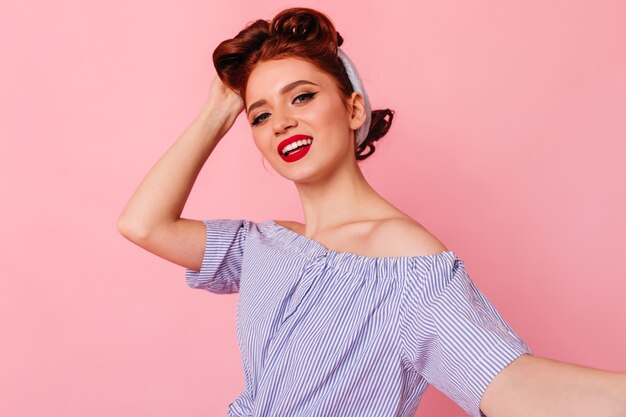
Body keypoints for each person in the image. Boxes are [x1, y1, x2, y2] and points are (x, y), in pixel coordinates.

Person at [117, 7, 626, 417]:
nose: (282, 123)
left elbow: (511, 384)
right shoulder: (263, 246)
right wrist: (215, 113)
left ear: (354, 108)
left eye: (303, 96)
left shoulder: (407, 263)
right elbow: (142, 224)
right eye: (262, 115)